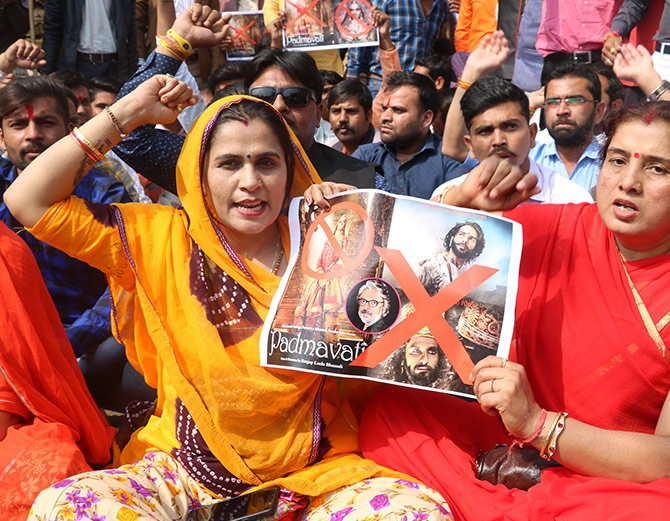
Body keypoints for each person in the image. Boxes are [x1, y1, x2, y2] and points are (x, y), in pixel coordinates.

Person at [5, 77, 451, 520]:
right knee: (67, 507)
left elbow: (427, 302)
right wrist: (126, 113)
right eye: (229, 164)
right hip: (184, 471)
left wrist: (364, 221)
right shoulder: (158, 238)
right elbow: (28, 200)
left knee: (416, 512)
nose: (250, 182)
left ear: (290, 169)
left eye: (267, 163)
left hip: (316, 476)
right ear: (199, 173)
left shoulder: (331, 244)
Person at [357, 102, 670, 519]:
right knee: (392, 414)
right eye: (617, 160)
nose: (628, 182)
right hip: (501, 433)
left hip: (604, 472)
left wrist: (538, 425)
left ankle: (490, 504)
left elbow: (665, 458)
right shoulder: (560, 227)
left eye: (657, 168)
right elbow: (419, 251)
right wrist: (461, 199)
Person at [0, 76, 129, 359]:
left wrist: (64, 346)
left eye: (46, 123)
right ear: (1, 136)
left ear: (71, 132)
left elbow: (125, 285)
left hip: (84, 342)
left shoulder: (104, 193)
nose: (32, 134)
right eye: (18, 124)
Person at [0, 221, 114, 520]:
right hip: (53, 343)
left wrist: (64, 347)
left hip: (75, 344)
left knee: (51, 468)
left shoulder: (103, 202)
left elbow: (117, 297)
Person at [435, 76, 593, 204]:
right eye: (485, 131)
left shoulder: (571, 199)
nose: (498, 141)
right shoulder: (449, 198)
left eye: (510, 127)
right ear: (470, 146)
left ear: (532, 135)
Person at [353, 71, 468, 199]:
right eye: (384, 109)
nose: (385, 117)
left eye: (398, 110)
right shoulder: (365, 156)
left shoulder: (449, 160)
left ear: (426, 118)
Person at [529, 63, 607, 193]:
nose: (562, 111)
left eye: (574, 101)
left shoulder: (612, 163)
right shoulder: (528, 160)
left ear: (598, 111)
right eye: (553, 102)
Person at [42, 0, 138, 80]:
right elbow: (52, 28)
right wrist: (47, 70)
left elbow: (130, 29)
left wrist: (133, 71)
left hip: (116, 64)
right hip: (78, 64)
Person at [418, 222, 485, 297]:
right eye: (461, 234)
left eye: (471, 239)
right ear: (452, 237)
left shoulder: (470, 272)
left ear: (476, 247)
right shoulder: (434, 264)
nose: (465, 240)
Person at [327, 79, 380, 155]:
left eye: (351, 111)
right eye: (336, 111)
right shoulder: (331, 148)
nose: (342, 119)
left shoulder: (382, 153)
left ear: (368, 115)